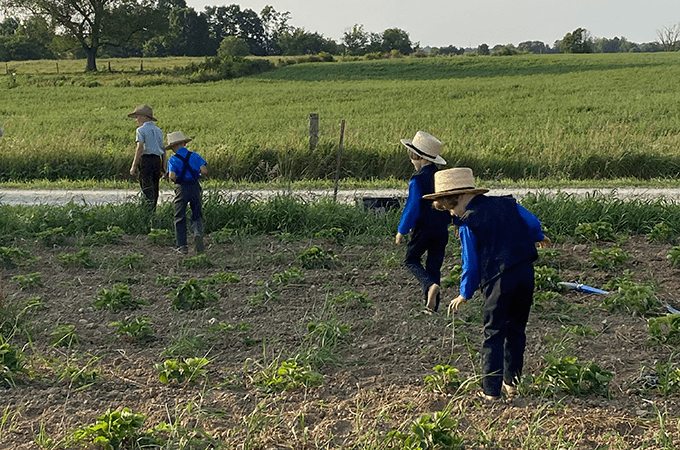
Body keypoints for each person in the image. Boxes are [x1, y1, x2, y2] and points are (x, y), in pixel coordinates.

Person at [423, 167, 551, 401]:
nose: (454, 214)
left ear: (460, 197)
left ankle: (491, 391)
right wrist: (539, 236)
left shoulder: (469, 223)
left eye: (452, 208)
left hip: (498, 279)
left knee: (493, 332)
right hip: (525, 272)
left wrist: (465, 293)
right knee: (516, 329)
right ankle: (512, 383)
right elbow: (531, 222)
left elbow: (470, 263)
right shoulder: (507, 204)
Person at [395, 131, 451, 314]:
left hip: (423, 228)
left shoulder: (417, 180)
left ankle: (429, 285)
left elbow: (412, 206)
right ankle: (431, 307)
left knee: (411, 259)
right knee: (434, 264)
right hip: (442, 228)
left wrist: (402, 230)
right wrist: (457, 221)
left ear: (415, 156)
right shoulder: (442, 178)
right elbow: (453, 202)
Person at [165, 131, 208, 254]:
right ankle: (197, 233)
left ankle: (182, 246)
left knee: (179, 216)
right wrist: (198, 176)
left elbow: (172, 176)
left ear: (172, 147)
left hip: (182, 188)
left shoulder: (173, 159)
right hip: (194, 186)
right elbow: (204, 171)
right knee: (197, 213)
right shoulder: (194, 156)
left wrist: (176, 180)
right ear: (184, 143)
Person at [128, 105, 165, 212]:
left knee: (146, 187)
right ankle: (153, 210)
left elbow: (140, 148)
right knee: (155, 187)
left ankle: (147, 212)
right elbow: (163, 149)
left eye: (137, 117)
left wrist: (134, 166)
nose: (136, 120)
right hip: (157, 160)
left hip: (146, 160)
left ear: (144, 117)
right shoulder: (159, 131)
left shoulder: (141, 130)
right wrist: (164, 165)